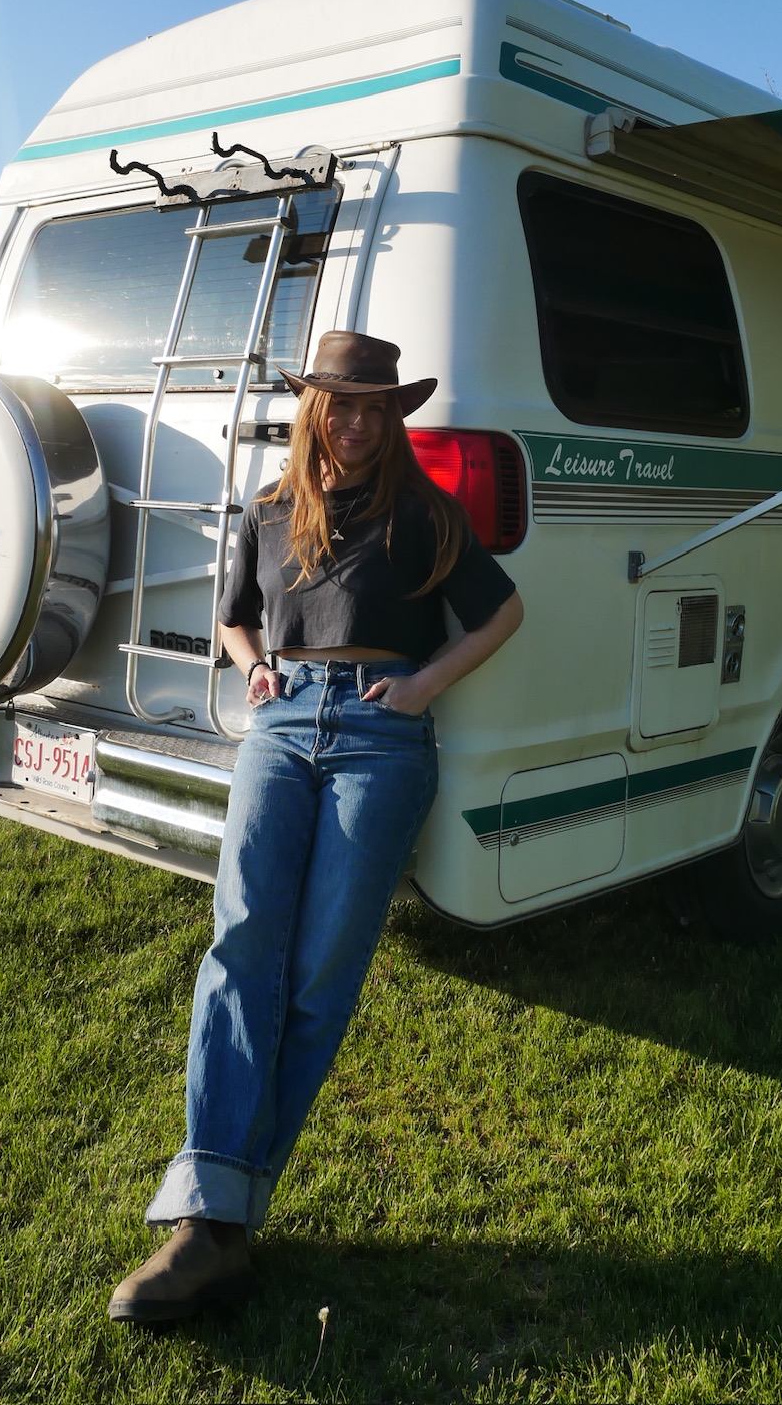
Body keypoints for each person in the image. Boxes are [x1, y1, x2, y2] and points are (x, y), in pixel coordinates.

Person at [109, 332, 524, 1326]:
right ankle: (213, 1218)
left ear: (393, 417)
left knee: (320, 973)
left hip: (380, 739)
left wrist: (420, 686)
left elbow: (501, 613)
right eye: (341, 403)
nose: (358, 420)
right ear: (313, 410)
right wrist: (253, 667)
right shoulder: (264, 508)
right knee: (241, 945)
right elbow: (232, 616)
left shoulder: (423, 513)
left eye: (377, 406)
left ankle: (223, 1222)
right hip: (282, 719)